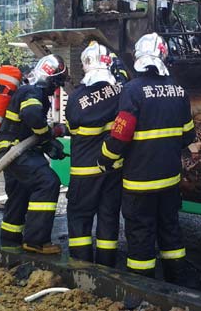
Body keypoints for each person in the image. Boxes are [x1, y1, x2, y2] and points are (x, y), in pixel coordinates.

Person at [98, 32, 195, 282]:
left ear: (139, 58)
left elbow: (120, 136)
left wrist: (104, 159)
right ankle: (176, 284)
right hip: (170, 181)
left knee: (141, 235)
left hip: (139, 183)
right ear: (163, 56)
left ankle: (143, 291)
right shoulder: (179, 90)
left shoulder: (132, 91)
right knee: (170, 232)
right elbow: (188, 135)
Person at [0, 54, 67, 254]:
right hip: (15, 149)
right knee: (48, 182)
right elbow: (31, 115)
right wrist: (49, 136)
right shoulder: (33, 91)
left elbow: (25, 127)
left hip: (10, 148)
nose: (55, 88)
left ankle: (10, 239)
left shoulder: (26, 89)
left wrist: (45, 144)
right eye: (57, 83)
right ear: (51, 79)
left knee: (20, 192)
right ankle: (36, 241)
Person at [64, 41, 129, 267]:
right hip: (112, 170)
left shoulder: (75, 99)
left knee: (80, 220)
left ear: (85, 66)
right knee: (108, 218)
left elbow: (72, 129)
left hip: (83, 173)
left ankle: (81, 267)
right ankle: (106, 268)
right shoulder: (121, 91)